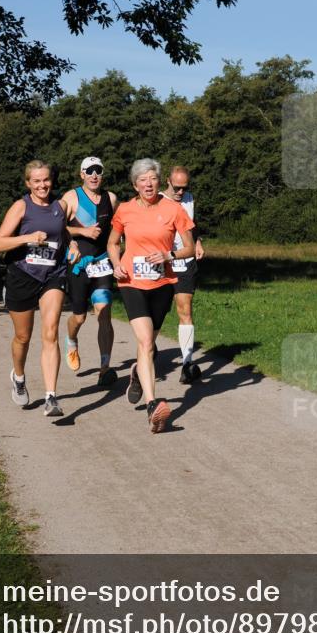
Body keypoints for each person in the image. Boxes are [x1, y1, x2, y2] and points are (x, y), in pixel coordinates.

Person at [106, 158, 195, 433]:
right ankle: (152, 404)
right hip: (132, 282)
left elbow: (190, 248)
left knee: (150, 344)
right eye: (142, 179)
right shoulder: (125, 210)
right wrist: (115, 263)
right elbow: (112, 242)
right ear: (135, 184)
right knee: (145, 343)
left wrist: (169, 254)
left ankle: (136, 372)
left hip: (162, 283)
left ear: (160, 182)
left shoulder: (174, 210)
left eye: (153, 179)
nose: (148, 183)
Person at [0, 160, 80, 416]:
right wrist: (28, 237)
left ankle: (51, 397)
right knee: (23, 337)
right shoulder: (21, 206)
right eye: (37, 181)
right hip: (22, 275)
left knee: (50, 332)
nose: (43, 185)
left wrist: (72, 245)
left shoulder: (60, 206)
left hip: (53, 274)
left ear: (51, 180)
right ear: (28, 183)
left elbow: (61, 232)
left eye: (46, 180)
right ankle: (18, 377)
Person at [61, 156, 119, 387]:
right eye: (89, 171)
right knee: (80, 317)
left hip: (102, 263)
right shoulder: (71, 197)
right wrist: (80, 236)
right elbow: (56, 226)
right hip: (78, 265)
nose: (94, 175)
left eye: (98, 170)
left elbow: (120, 226)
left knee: (104, 313)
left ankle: (105, 368)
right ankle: (71, 340)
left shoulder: (111, 198)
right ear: (81, 174)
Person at [161, 166, 205, 383]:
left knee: (185, 310)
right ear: (167, 181)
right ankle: (146, 358)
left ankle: (186, 364)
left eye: (184, 188)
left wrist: (197, 241)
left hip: (185, 262)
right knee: (155, 315)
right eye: (176, 187)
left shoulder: (188, 199)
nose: (180, 192)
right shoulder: (156, 201)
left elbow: (191, 225)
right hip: (161, 264)